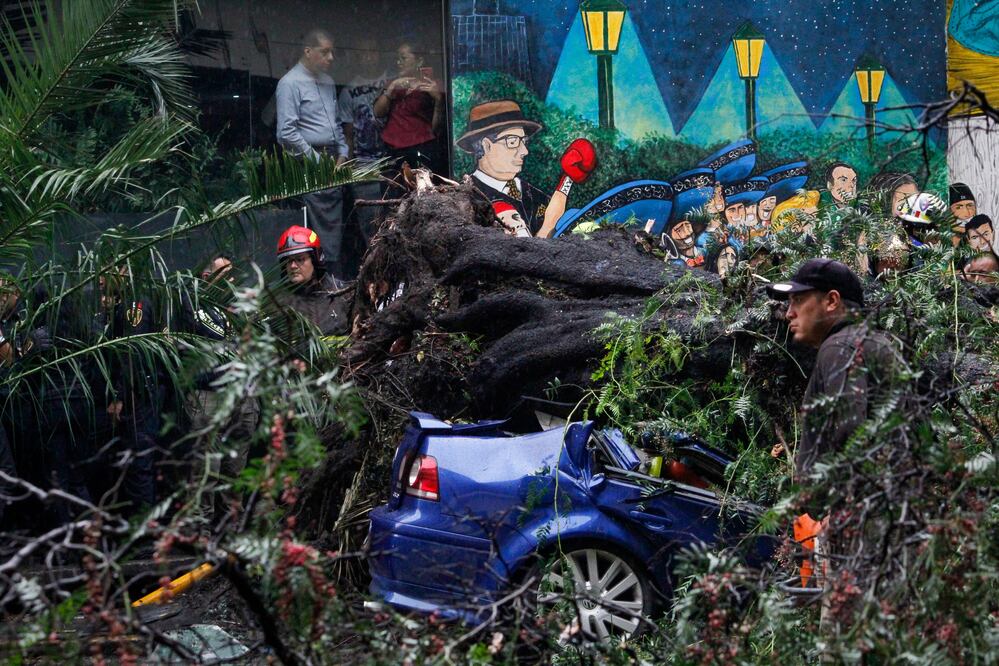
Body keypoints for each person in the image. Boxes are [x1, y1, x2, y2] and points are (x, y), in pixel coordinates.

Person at [767, 259, 901, 478]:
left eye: (798, 300)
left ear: (831, 301)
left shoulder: (840, 347)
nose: (789, 312)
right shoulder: (864, 341)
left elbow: (850, 432)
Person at [179, 255, 258, 528]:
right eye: (221, 272)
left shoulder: (241, 306)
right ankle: (200, 528)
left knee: (235, 466)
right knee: (206, 467)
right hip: (208, 393)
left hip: (242, 394)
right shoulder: (192, 304)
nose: (228, 278)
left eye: (231, 273)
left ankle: (231, 527)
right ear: (206, 276)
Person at [276, 29, 349, 277]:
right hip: (308, 164)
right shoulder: (289, 83)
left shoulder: (328, 82)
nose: (330, 57)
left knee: (337, 229)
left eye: (332, 52)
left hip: (333, 162)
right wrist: (317, 161)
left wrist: (343, 153)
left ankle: (336, 281)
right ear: (308, 51)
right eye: (324, 51)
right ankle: (318, 281)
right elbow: (286, 132)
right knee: (314, 227)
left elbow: (336, 123)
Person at [338, 39, 390, 254]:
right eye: (363, 52)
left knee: (397, 217)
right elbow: (348, 134)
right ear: (357, 57)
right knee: (371, 223)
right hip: (363, 165)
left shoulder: (391, 80)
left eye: (373, 51)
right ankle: (376, 268)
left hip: (392, 160)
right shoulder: (349, 91)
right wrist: (347, 166)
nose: (369, 57)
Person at [373, 42, 445, 175]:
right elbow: (378, 112)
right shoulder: (394, 83)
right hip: (392, 148)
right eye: (397, 59)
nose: (399, 62)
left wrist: (438, 98)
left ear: (419, 61)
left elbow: (437, 128)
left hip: (421, 147)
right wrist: (392, 87)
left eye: (403, 58)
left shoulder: (432, 85)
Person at [275, 225, 350, 337]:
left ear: (316, 260)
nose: (293, 266)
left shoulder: (344, 294)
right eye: (288, 261)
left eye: (300, 259)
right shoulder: (274, 301)